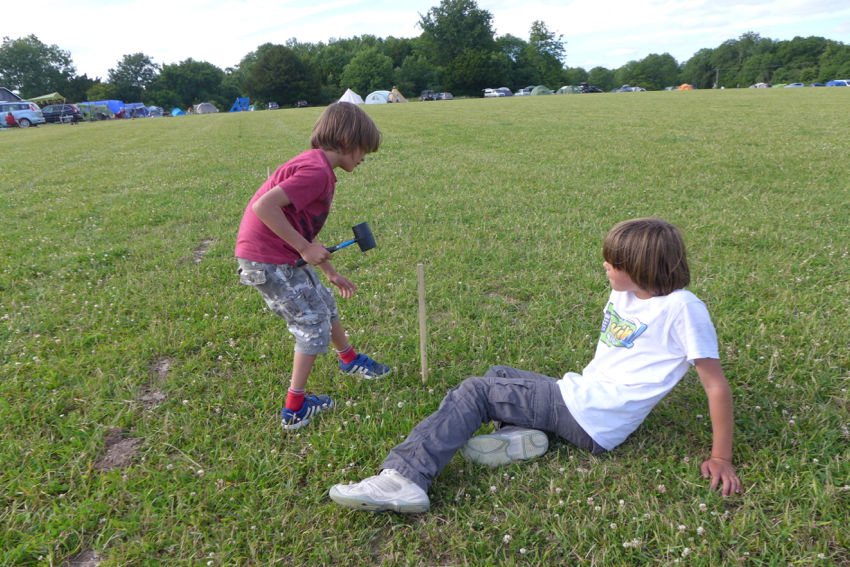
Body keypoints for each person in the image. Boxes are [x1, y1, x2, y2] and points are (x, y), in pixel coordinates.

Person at [330, 218, 742, 513]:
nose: (605, 265)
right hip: (585, 401)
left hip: (591, 412)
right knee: (500, 375)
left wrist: (721, 457)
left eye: (613, 262)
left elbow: (715, 385)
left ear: (641, 268)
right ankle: (520, 436)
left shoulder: (682, 308)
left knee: (476, 391)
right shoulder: (627, 292)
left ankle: (404, 478)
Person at [235, 102, 390, 431]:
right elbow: (264, 207)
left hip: (281, 254)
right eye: (364, 149)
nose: (364, 158)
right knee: (312, 322)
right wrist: (305, 248)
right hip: (267, 258)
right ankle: (294, 410)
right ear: (347, 140)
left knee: (324, 302)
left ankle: (349, 360)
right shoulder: (316, 172)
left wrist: (330, 272)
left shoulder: (317, 165)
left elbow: (299, 225)